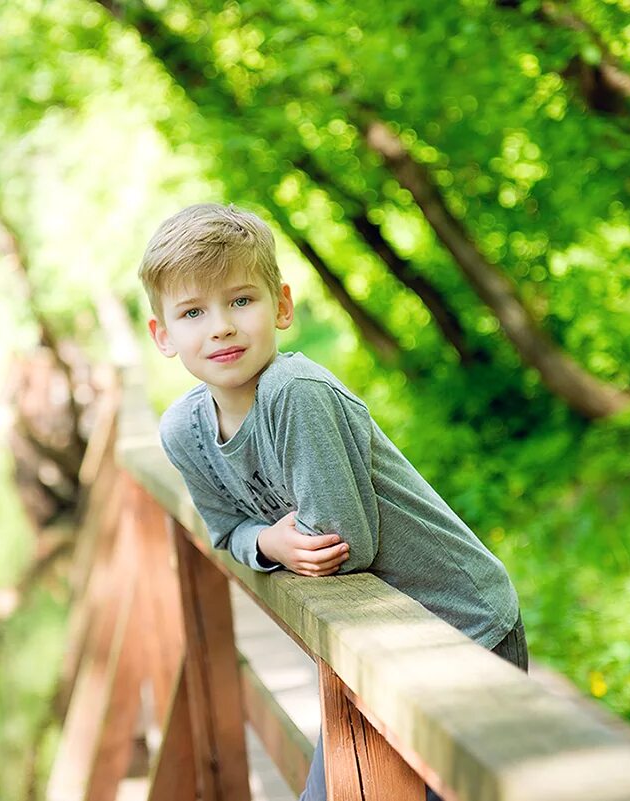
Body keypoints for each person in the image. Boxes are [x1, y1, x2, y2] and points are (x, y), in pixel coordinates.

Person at [138, 202, 529, 801]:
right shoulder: (183, 431)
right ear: (162, 335)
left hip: (460, 628)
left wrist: (273, 541)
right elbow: (224, 532)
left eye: (241, 300)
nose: (220, 326)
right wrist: (268, 540)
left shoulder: (296, 394)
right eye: (193, 312)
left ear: (283, 306)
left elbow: (343, 546)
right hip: (375, 645)